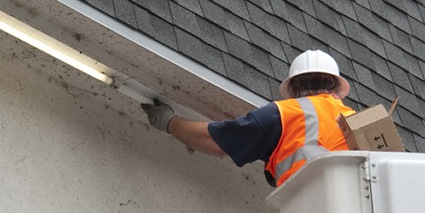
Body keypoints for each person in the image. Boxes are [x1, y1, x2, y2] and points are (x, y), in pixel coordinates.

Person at [141, 50, 356, 187]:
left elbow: (215, 142)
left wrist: (169, 122)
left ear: (293, 89)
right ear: (337, 89)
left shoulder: (283, 114)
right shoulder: (359, 122)